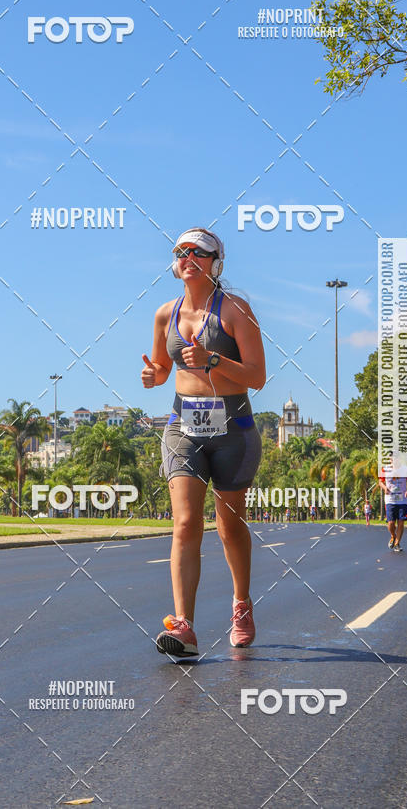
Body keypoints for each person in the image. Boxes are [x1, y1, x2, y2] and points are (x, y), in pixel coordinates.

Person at [141, 227, 266, 658]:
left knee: (229, 526)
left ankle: (241, 605)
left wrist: (214, 359)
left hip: (233, 426)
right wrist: (154, 376)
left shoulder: (235, 310)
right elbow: (160, 367)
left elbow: (257, 377)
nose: (186, 258)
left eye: (197, 252)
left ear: (216, 262)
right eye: (180, 252)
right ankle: (185, 626)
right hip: (183, 427)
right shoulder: (164, 314)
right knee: (186, 522)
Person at [378, 471, 407, 552]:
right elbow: (380, 481)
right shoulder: (385, 469)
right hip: (390, 500)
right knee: (391, 523)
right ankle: (393, 535)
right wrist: (385, 488)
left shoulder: (405, 469)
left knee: (401, 522)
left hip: (402, 500)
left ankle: (397, 544)